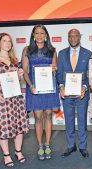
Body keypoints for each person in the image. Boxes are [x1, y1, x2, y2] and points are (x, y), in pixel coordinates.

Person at [0, 33, 29, 167]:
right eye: (4, 41)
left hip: (15, 98)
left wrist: (20, 76)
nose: (7, 44)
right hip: (0, 98)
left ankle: (18, 151)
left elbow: (15, 80)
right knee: (3, 126)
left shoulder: (14, 59)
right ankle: (6, 155)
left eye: (9, 41)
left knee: (18, 126)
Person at [21, 24, 60, 160]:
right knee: (38, 117)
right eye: (37, 33)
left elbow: (54, 69)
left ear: (46, 35)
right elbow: (25, 71)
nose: (39, 35)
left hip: (48, 87)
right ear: (33, 35)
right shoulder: (27, 50)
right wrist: (31, 85)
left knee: (48, 115)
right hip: (34, 88)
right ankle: (39, 146)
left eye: (42, 33)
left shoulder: (52, 50)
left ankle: (48, 145)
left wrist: (52, 68)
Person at [56, 29, 92, 158]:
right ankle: (71, 145)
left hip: (81, 93)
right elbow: (59, 73)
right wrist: (61, 86)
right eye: (70, 36)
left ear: (79, 37)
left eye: (75, 36)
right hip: (66, 93)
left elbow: (90, 75)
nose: (73, 38)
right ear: (68, 38)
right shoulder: (61, 53)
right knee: (69, 120)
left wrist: (84, 86)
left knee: (82, 120)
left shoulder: (88, 53)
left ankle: (82, 146)